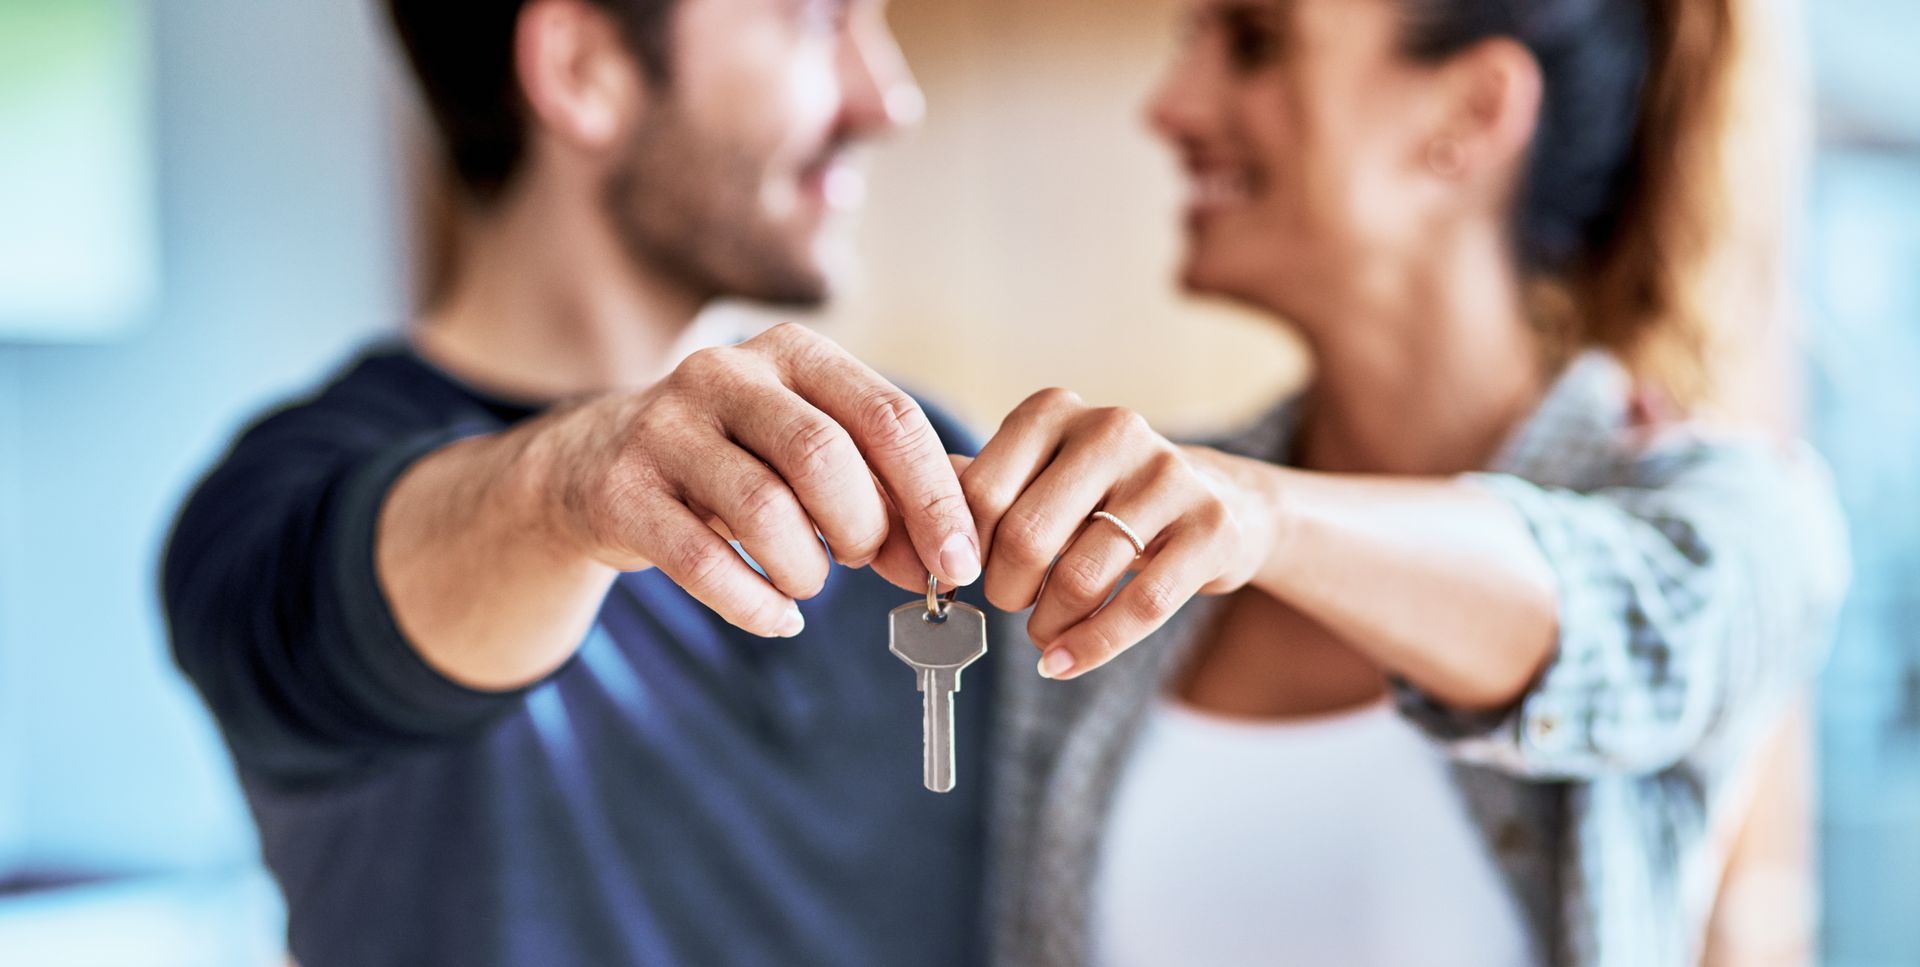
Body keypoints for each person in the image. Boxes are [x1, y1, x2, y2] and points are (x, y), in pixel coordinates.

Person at [963, 0, 1848, 964]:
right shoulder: (1120, 541)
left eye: (1257, 45)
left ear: (1472, 111)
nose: (1171, 108)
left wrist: (1267, 518)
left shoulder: (1731, 515)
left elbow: (1622, 622)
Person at [162, 1, 1003, 964]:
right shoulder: (273, 506)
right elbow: (354, 605)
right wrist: (569, 487)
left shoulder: (909, 456)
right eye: (816, 21)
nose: (888, 100)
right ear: (583, 69)